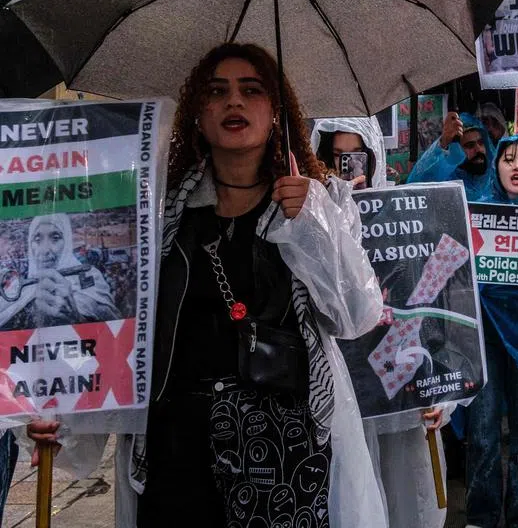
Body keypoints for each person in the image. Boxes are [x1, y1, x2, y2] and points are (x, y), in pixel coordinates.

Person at [27, 43, 386, 528]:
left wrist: (312, 222)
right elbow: (114, 326)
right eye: (217, 91)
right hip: (177, 448)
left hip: (283, 449)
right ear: (198, 112)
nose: (234, 103)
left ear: (277, 110)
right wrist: (62, 413)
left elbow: (354, 315)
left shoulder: (323, 200)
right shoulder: (157, 213)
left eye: (251, 90)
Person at [311, 116, 447, 528]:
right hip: (347, 401)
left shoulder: (406, 220)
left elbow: (433, 309)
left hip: (404, 403)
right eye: (335, 160)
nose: (347, 170)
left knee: (410, 506)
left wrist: (444, 389)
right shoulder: (314, 228)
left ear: (373, 158)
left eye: (354, 158)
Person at [464, 135, 518, 528]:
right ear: (496, 167)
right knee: (482, 433)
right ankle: (481, 516)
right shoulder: (473, 210)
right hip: (484, 336)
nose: (516, 167)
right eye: (507, 159)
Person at [2, 214, 118, 329]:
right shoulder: (19, 288)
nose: (45, 250)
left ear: (67, 241)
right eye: (37, 239)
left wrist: (76, 317)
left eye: (55, 238)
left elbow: (113, 330)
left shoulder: (90, 276)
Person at [407, 111, 495, 198]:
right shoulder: (445, 184)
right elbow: (413, 191)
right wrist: (443, 142)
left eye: (481, 142)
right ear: (456, 150)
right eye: (469, 145)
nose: (478, 149)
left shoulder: (495, 179)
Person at [312, 116, 388, 190]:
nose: (349, 163)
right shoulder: (315, 192)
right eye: (338, 155)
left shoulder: (382, 197)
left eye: (357, 154)